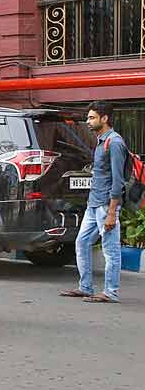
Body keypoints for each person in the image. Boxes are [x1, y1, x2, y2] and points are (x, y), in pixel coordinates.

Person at [60, 101, 128, 304]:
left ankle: (111, 292)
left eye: (92, 117)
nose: (88, 121)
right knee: (82, 243)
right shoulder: (101, 141)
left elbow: (118, 181)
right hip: (94, 204)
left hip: (106, 205)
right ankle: (85, 287)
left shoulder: (114, 143)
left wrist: (112, 212)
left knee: (110, 249)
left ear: (104, 118)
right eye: (88, 117)